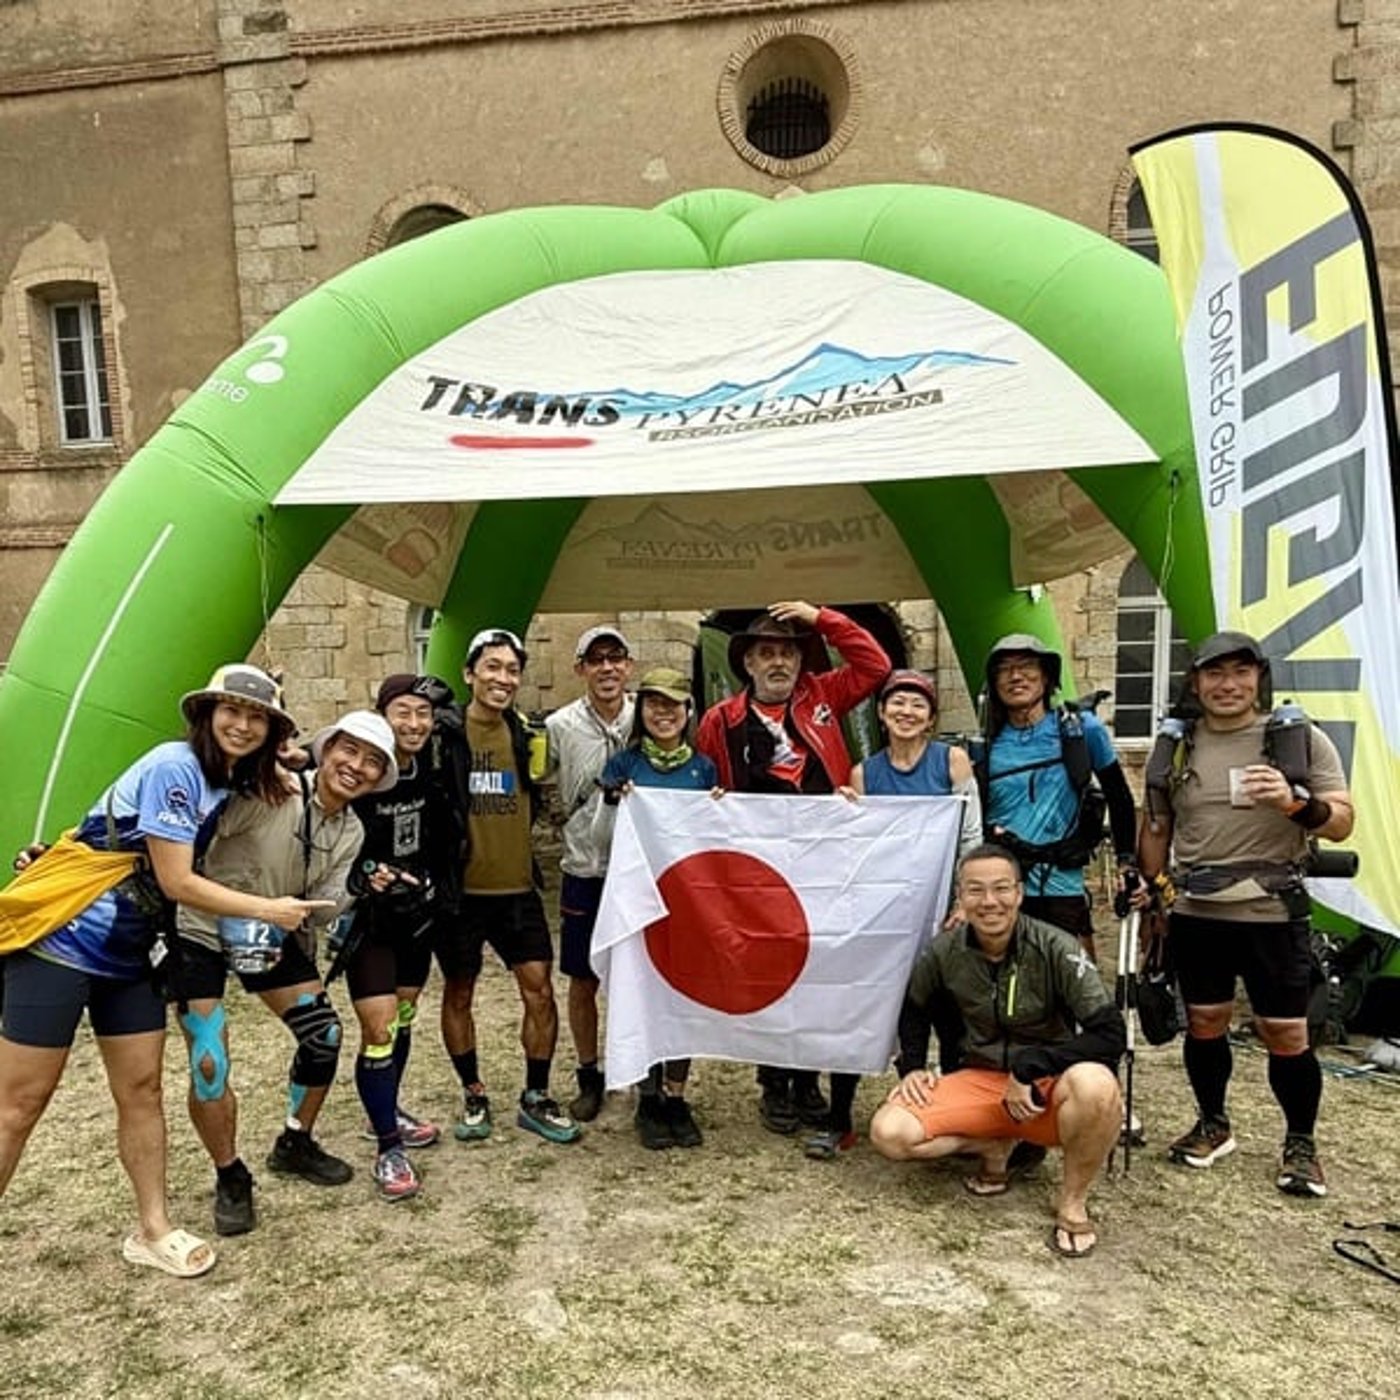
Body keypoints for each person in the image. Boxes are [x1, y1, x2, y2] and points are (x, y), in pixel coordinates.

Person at [0, 663, 331, 1277]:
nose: (242, 725)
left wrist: (294, 756)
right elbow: (178, 881)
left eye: (257, 717)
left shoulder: (228, 779)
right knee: (20, 1103)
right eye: (231, 711)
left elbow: (300, 767)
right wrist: (269, 909)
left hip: (133, 954)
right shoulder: (175, 766)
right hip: (65, 939)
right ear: (206, 715)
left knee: (142, 1091)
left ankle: (152, 1230)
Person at [1135, 631, 1354, 1197]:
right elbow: (1157, 824)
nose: (1227, 685)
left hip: (1271, 912)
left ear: (1259, 678)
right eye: (1214, 673)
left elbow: (1342, 822)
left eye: (1240, 672)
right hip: (1196, 910)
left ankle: (1300, 1144)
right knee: (1203, 1022)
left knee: (1285, 1032)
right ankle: (1213, 1123)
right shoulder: (1178, 746)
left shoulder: (1298, 740)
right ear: (1196, 682)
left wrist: (1293, 802)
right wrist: (1150, 886)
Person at [170, 708, 398, 1230]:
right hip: (200, 926)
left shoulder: (351, 830)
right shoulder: (271, 789)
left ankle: (296, 1141)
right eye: (348, 750)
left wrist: (357, 889)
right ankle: (230, 1175)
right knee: (209, 1064)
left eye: (371, 761)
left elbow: (322, 909)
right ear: (327, 750)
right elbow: (196, 826)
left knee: (324, 1035)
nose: (356, 766)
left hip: (268, 932)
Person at [869, 844, 1125, 1259]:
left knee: (1097, 1085)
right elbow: (914, 1007)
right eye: (975, 890)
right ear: (961, 897)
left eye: (1001, 888)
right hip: (981, 1078)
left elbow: (1110, 1032)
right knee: (890, 1133)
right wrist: (912, 1066)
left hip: (1044, 1085)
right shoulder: (945, 950)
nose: (989, 901)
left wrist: (1031, 1067)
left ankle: (1073, 1201)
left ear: (1019, 893)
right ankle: (992, 1145)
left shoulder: (1056, 946)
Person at [696, 599, 889, 1136]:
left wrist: (820, 617)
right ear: (748, 663)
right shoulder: (721, 720)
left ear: (801, 661)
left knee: (820, 966)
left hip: (823, 862)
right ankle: (774, 1081)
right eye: (766, 653)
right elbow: (706, 782)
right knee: (770, 970)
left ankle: (808, 1078)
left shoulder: (824, 696)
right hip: (760, 869)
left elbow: (875, 666)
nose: (778, 662)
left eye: (787, 652)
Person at [829, 669, 983, 1160]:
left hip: (940, 912)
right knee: (863, 1008)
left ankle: (951, 1114)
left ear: (931, 718)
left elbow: (970, 835)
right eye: (897, 702)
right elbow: (856, 848)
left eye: (918, 705)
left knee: (948, 1014)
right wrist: (843, 812)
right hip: (884, 913)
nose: (906, 712)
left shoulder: (951, 761)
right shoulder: (864, 774)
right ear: (881, 713)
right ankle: (839, 1118)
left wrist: (964, 901)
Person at [434, 627, 580, 1144]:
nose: (503, 678)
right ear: (469, 673)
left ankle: (535, 1096)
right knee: (459, 991)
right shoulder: (444, 733)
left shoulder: (525, 733)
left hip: (517, 889)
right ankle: (473, 1093)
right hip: (461, 894)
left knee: (540, 992)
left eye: (512, 669)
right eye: (492, 667)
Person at [336, 674, 460, 1203]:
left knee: (404, 1016)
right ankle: (388, 1149)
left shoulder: (431, 769)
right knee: (380, 1026)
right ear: (383, 716)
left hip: (415, 918)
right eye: (403, 712)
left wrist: (432, 883)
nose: (414, 723)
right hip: (370, 925)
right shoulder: (363, 772)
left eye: (423, 714)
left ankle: (384, 1113)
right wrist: (365, 875)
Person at [599, 666, 718, 1149]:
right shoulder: (623, 764)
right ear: (641, 710)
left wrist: (719, 806)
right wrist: (618, 801)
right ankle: (648, 1097)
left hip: (688, 903)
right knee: (644, 992)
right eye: (653, 704)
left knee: (683, 996)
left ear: (688, 711)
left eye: (673, 704)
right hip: (638, 901)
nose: (663, 713)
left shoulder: (705, 768)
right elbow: (604, 830)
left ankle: (676, 1094)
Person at [978, 634, 1137, 960]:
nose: (1016, 676)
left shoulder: (1081, 729)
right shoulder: (985, 746)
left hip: (1061, 884)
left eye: (1026, 666)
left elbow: (1119, 796)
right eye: (1004, 669)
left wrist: (1126, 862)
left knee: (1077, 981)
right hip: (1001, 887)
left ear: (1046, 676)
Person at [542, 625, 635, 1123]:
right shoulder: (559, 724)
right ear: (580, 669)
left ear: (628, 666)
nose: (607, 668)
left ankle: (635, 1068)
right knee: (582, 978)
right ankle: (588, 1073)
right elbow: (538, 780)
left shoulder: (648, 715)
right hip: (584, 866)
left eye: (615, 658)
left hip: (637, 868)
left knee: (638, 973)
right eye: (596, 659)